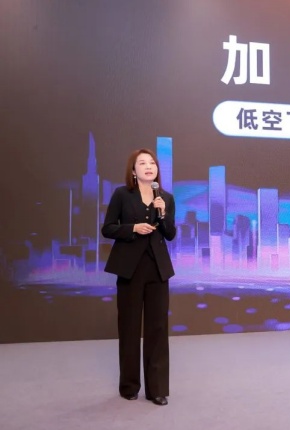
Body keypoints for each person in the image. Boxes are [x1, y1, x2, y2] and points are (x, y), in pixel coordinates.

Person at [101, 148, 176, 406]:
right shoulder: (122, 194)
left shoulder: (165, 197)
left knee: (158, 328)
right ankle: (129, 385)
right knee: (130, 327)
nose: (148, 166)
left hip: (158, 269)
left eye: (152, 163)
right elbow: (108, 228)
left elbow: (170, 234)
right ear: (133, 171)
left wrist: (162, 214)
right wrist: (132, 227)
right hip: (129, 268)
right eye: (142, 163)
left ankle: (157, 389)